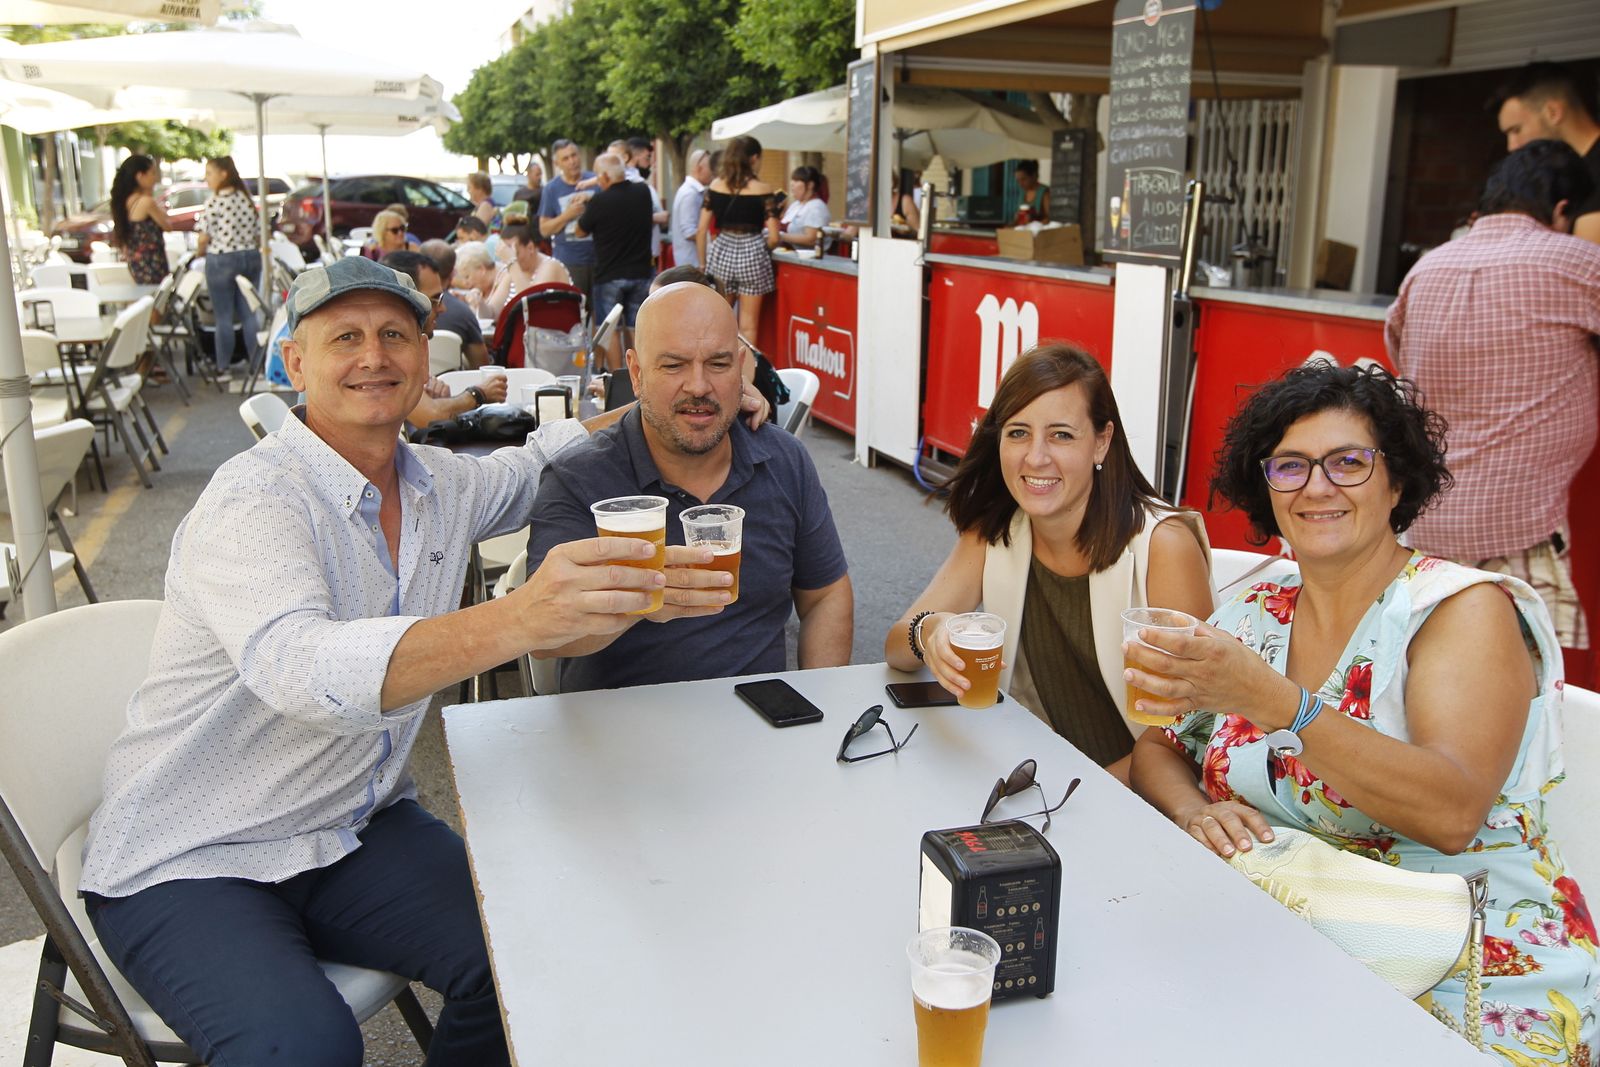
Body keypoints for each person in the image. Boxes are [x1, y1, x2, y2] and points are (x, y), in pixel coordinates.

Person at [77, 255, 666, 1067]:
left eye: (394, 334)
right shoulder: (256, 500)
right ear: (295, 362)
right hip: (195, 852)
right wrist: (519, 617)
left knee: (539, 956)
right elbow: (298, 667)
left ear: (426, 357)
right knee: (306, 1047)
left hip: (350, 827)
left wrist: (665, 405)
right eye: (344, 336)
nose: (373, 356)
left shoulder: (439, 485)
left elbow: (541, 459)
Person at [1126, 361, 1594, 1065]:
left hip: (1470, 966)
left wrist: (1273, 700)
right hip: (1304, 941)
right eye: (1291, 466)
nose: (1317, 486)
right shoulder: (1256, 610)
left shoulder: (1459, 610)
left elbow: (1451, 809)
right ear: (1268, 489)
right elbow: (1159, 745)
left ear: (1397, 480)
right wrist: (1194, 810)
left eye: (1348, 462)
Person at [884, 345, 1212, 783]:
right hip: (1033, 771)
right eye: (1018, 432)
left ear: (1102, 442)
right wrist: (930, 632)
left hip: (1141, 797)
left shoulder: (1164, 547)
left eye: (1061, 435)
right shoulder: (995, 529)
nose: (1035, 457)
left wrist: (1066, 798)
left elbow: (1197, 732)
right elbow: (895, 651)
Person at [525, 282, 852, 692]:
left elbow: (825, 595)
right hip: (624, 735)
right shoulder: (578, 477)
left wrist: (818, 702)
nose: (698, 386)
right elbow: (545, 638)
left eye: (717, 364)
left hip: (759, 727)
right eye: (674, 365)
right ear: (638, 373)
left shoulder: (785, 460)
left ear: (742, 368)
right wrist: (641, 601)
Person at [1387, 139, 1600, 651]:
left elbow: (1397, 355)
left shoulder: (1426, 268)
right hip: (1518, 527)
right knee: (1520, 685)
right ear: (1562, 208)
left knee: (1428, 664)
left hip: (1426, 521)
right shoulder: (1577, 262)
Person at [1492, 61, 1600, 244]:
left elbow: (1585, 262)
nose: (1512, 146)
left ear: (1553, 112)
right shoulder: (1572, 170)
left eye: (1516, 130)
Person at [697, 136, 781, 343]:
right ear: (753, 159)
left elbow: (701, 230)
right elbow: (774, 237)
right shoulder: (764, 190)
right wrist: (764, 248)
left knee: (717, 322)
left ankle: (716, 369)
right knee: (749, 326)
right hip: (752, 254)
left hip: (722, 252)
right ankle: (747, 374)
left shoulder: (716, 186)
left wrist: (702, 263)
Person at [576, 152, 655, 371]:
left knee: (609, 330)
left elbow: (579, 230)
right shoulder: (643, 192)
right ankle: (641, 377)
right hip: (641, 272)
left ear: (604, 177)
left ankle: (617, 378)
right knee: (636, 329)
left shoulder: (600, 201)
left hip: (609, 275)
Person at [194, 155, 261, 378]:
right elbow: (258, 233)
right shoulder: (246, 198)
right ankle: (256, 366)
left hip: (222, 259)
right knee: (249, 313)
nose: (207, 178)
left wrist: (199, 252)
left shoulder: (215, 201)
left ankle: (223, 367)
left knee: (223, 317)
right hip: (250, 257)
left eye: (209, 173)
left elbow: (203, 238)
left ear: (223, 174)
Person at [539, 138, 598, 304]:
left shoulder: (596, 181)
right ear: (557, 163)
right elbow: (544, 229)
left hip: (600, 259)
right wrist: (568, 215)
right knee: (573, 311)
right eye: (565, 158)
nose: (572, 161)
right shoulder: (551, 188)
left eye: (574, 155)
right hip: (570, 261)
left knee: (600, 317)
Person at [417, 240, 490, 368]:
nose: (441, 309)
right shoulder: (462, 312)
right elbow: (480, 365)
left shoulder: (402, 307)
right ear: (453, 273)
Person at [485, 222, 572, 320]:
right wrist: (478, 303)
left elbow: (530, 306)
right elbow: (492, 313)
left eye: (513, 252)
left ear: (530, 248)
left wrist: (512, 262)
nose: (510, 256)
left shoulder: (550, 266)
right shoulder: (513, 270)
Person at [109, 154, 171, 286]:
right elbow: (168, 226)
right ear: (140, 176)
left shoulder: (125, 201)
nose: (155, 178)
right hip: (152, 262)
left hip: (137, 262)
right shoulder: (146, 202)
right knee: (157, 301)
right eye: (152, 173)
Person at [624, 135, 669, 262]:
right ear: (634, 156)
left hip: (649, 252)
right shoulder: (630, 182)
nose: (650, 163)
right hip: (638, 254)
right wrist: (656, 217)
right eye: (647, 157)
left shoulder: (640, 182)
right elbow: (627, 216)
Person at [671, 148, 711, 268]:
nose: (713, 173)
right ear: (700, 168)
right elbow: (689, 232)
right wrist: (710, 238)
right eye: (711, 168)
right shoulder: (690, 193)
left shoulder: (691, 191)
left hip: (690, 261)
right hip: (692, 262)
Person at [776, 165, 830, 251]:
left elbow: (811, 239)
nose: (792, 184)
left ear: (810, 185)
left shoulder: (816, 207)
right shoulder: (795, 204)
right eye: (792, 180)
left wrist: (781, 236)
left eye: (797, 180)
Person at [1013, 160, 1049, 224]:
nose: (1021, 184)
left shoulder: (1044, 192)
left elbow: (1050, 218)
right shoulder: (1022, 193)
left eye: (1023, 179)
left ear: (1033, 176)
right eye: (1018, 181)